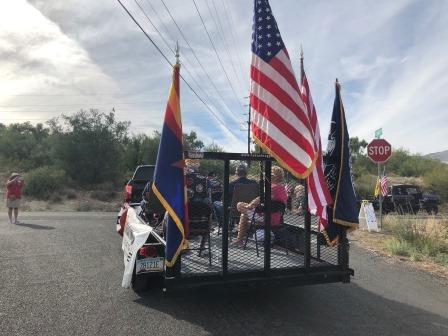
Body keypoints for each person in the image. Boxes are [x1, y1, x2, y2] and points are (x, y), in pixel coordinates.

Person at [231, 166, 288, 246]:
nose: (267, 177)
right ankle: (239, 239)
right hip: (275, 218)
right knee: (244, 215)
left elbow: (260, 198)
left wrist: (251, 205)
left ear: (277, 177)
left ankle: (240, 239)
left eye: (270, 176)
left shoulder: (273, 187)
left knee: (240, 205)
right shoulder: (282, 189)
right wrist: (252, 206)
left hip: (267, 217)